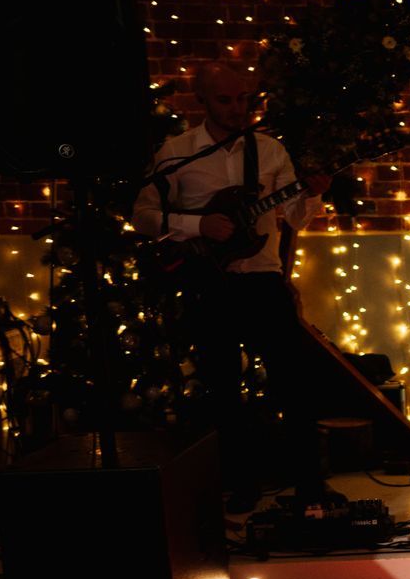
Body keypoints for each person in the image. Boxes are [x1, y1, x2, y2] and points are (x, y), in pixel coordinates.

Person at [132, 61, 326, 512]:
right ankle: (241, 485)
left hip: (262, 278)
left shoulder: (270, 150)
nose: (237, 108)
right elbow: (142, 215)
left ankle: (309, 486)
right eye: (226, 100)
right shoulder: (177, 153)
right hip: (206, 282)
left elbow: (296, 216)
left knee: (293, 384)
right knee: (222, 390)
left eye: (243, 99)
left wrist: (313, 192)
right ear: (202, 100)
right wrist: (198, 224)